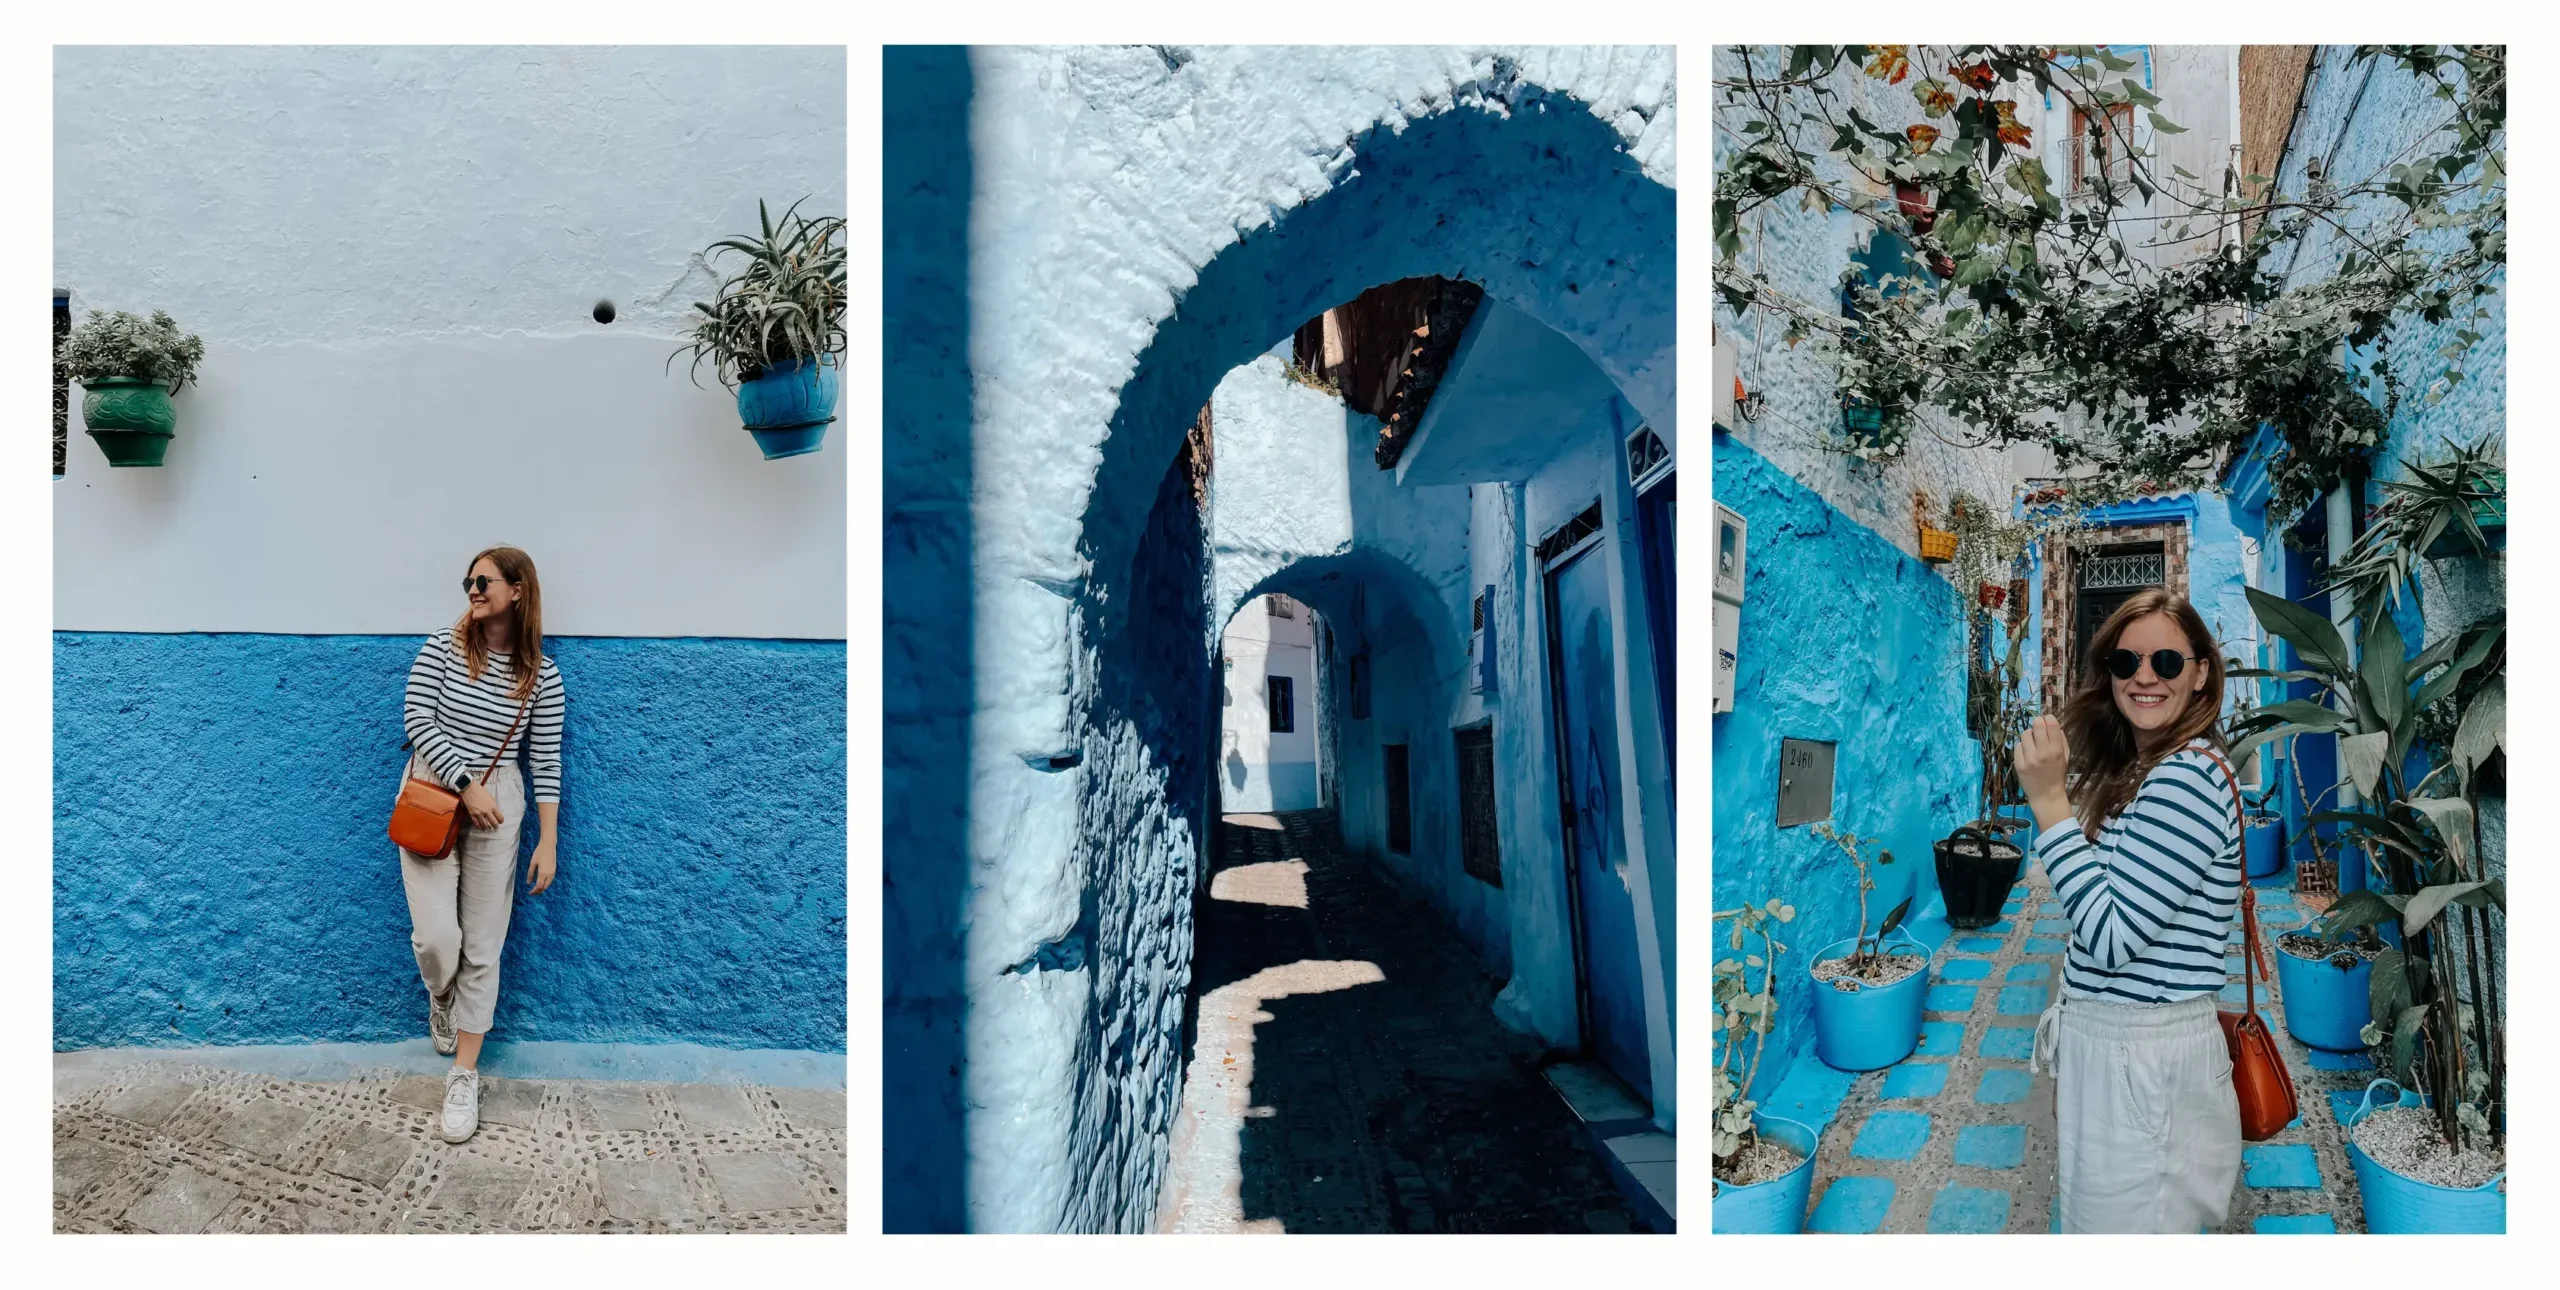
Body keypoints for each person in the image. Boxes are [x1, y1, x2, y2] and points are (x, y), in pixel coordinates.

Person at [2012, 587, 2242, 1234]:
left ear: (2200, 673)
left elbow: (2110, 937)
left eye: (2166, 662)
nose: (2145, 676)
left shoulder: (2187, 778)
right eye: (2125, 662)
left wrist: (2050, 802)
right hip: (2121, 1056)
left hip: (2145, 1067)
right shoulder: (2148, 769)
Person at [397, 545, 567, 1143]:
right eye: (468, 580)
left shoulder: (540, 674)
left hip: (502, 806)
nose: (472, 588)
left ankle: (464, 1074)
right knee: (438, 937)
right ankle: (440, 995)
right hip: (434, 796)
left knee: (484, 944)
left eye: (485, 580)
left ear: (518, 590)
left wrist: (547, 840)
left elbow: (545, 760)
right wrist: (467, 785)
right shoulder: (442, 646)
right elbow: (418, 719)